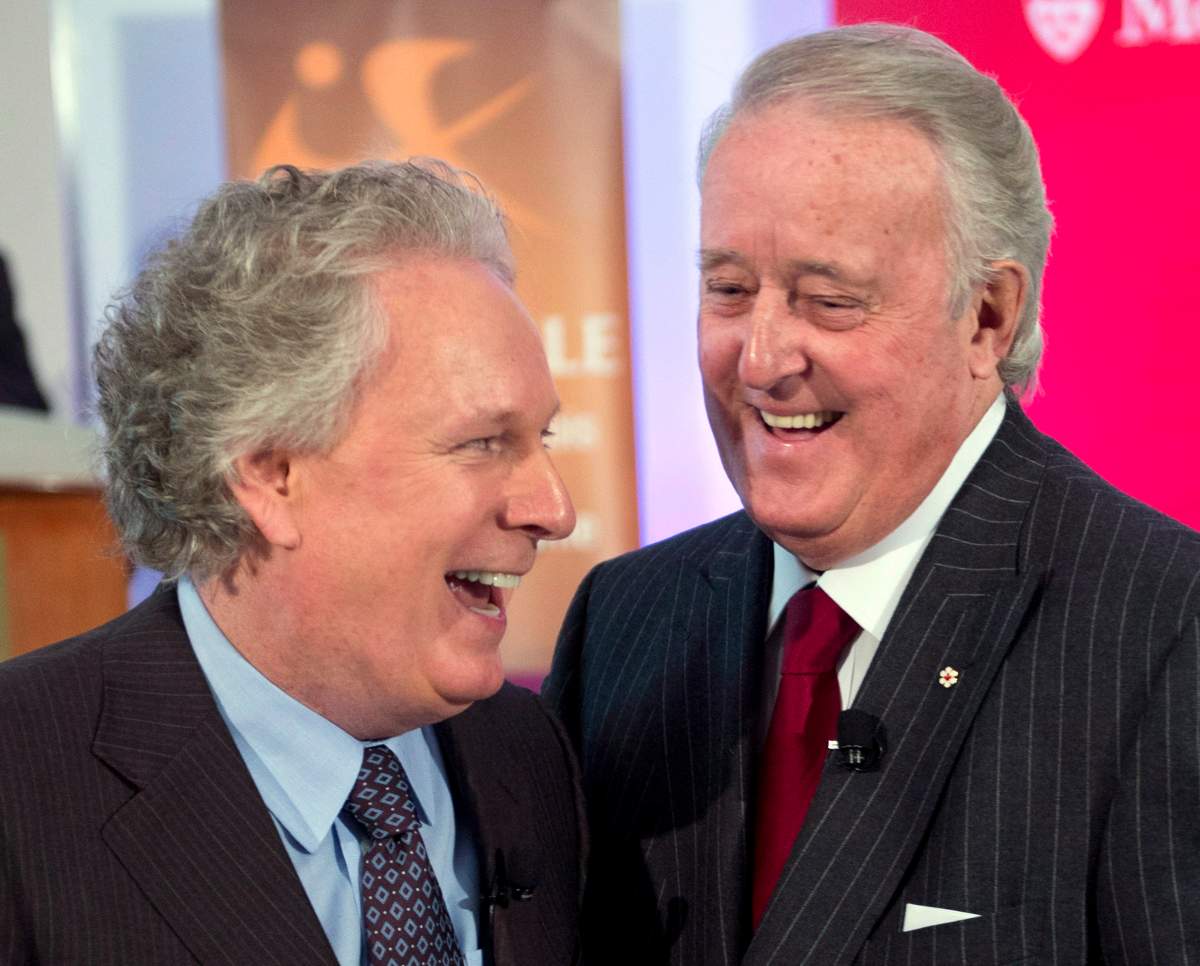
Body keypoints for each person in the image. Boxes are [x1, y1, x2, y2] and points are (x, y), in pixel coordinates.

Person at [546, 23, 1200, 965]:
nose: (762, 359)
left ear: (988, 317)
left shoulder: (1164, 632)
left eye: (830, 301)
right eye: (730, 290)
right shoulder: (623, 621)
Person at [0, 160, 584, 966]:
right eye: (483, 443)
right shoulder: (20, 785)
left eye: (541, 439)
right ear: (270, 475)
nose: (554, 509)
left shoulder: (531, 755)